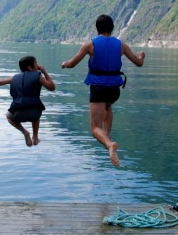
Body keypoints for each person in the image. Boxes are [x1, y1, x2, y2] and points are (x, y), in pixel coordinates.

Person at [61, 14, 145, 167]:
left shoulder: (90, 45)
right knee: (108, 106)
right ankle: (108, 136)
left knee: (95, 128)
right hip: (114, 90)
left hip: (99, 88)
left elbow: (72, 64)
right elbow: (139, 63)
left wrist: (65, 63)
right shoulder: (122, 45)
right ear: (112, 28)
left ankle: (109, 144)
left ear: (97, 28)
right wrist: (141, 55)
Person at [0, 55, 55, 147]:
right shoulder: (39, 77)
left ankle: (25, 132)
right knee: (35, 109)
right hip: (35, 113)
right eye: (36, 64)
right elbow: (52, 87)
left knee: (8, 116)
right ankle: (35, 137)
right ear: (30, 68)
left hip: (18, 113)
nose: (38, 66)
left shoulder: (14, 78)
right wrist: (44, 71)